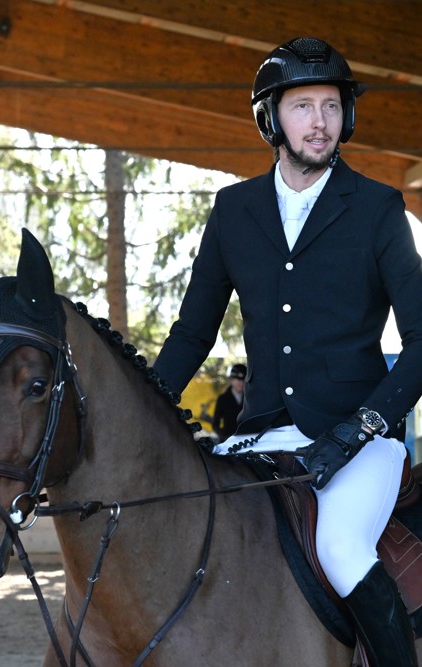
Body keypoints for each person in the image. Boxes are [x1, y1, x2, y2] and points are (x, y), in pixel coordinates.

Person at [154, 37, 422, 665]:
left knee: (341, 550)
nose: (320, 122)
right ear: (271, 117)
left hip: (361, 439)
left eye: (332, 106)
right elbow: (193, 334)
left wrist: (365, 424)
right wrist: (146, 404)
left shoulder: (379, 208)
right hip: (261, 436)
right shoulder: (233, 210)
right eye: (303, 106)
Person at [212, 363, 246, 441]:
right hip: (228, 441)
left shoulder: (250, 399)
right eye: (238, 379)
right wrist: (223, 436)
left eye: (243, 380)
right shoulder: (223, 399)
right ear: (232, 380)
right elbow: (215, 423)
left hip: (246, 440)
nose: (241, 383)